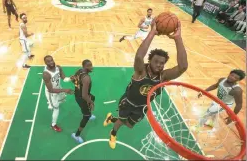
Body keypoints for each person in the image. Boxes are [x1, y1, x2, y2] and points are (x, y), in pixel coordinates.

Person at [104, 19, 188, 149]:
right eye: (156, 61)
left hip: (142, 107)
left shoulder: (163, 76)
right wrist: (152, 32)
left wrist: (178, 38)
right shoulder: (141, 70)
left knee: (130, 125)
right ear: (150, 60)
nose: (159, 65)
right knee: (121, 121)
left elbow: (182, 67)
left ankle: (111, 119)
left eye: (162, 63)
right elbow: (138, 57)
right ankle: (113, 132)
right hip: (128, 103)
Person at [43, 55, 74, 132]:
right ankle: (53, 125)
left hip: (58, 88)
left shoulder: (58, 67)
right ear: (45, 63)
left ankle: (52, 104)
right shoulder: (46, 74)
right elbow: (50, 90)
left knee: (61, 100)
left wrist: (70, 78)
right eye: (48, 61)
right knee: (56, 109)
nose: (51, 62)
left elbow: (64, 78)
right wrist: (65, 90)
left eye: (52, 60)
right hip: (51, 94)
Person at [71, 59, 96, 143]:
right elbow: (84, 95)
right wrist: (91, 102)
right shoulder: (87, 78)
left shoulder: (79, 71)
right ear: (84, 66)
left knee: (93, 97)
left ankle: (88, 113)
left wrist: (73, 80)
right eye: (89, 66)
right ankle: (76, 135)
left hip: (77, 94)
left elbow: (73, 80)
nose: (91, 67)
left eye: (91, 65)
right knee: (86, 116)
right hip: (82, 98)